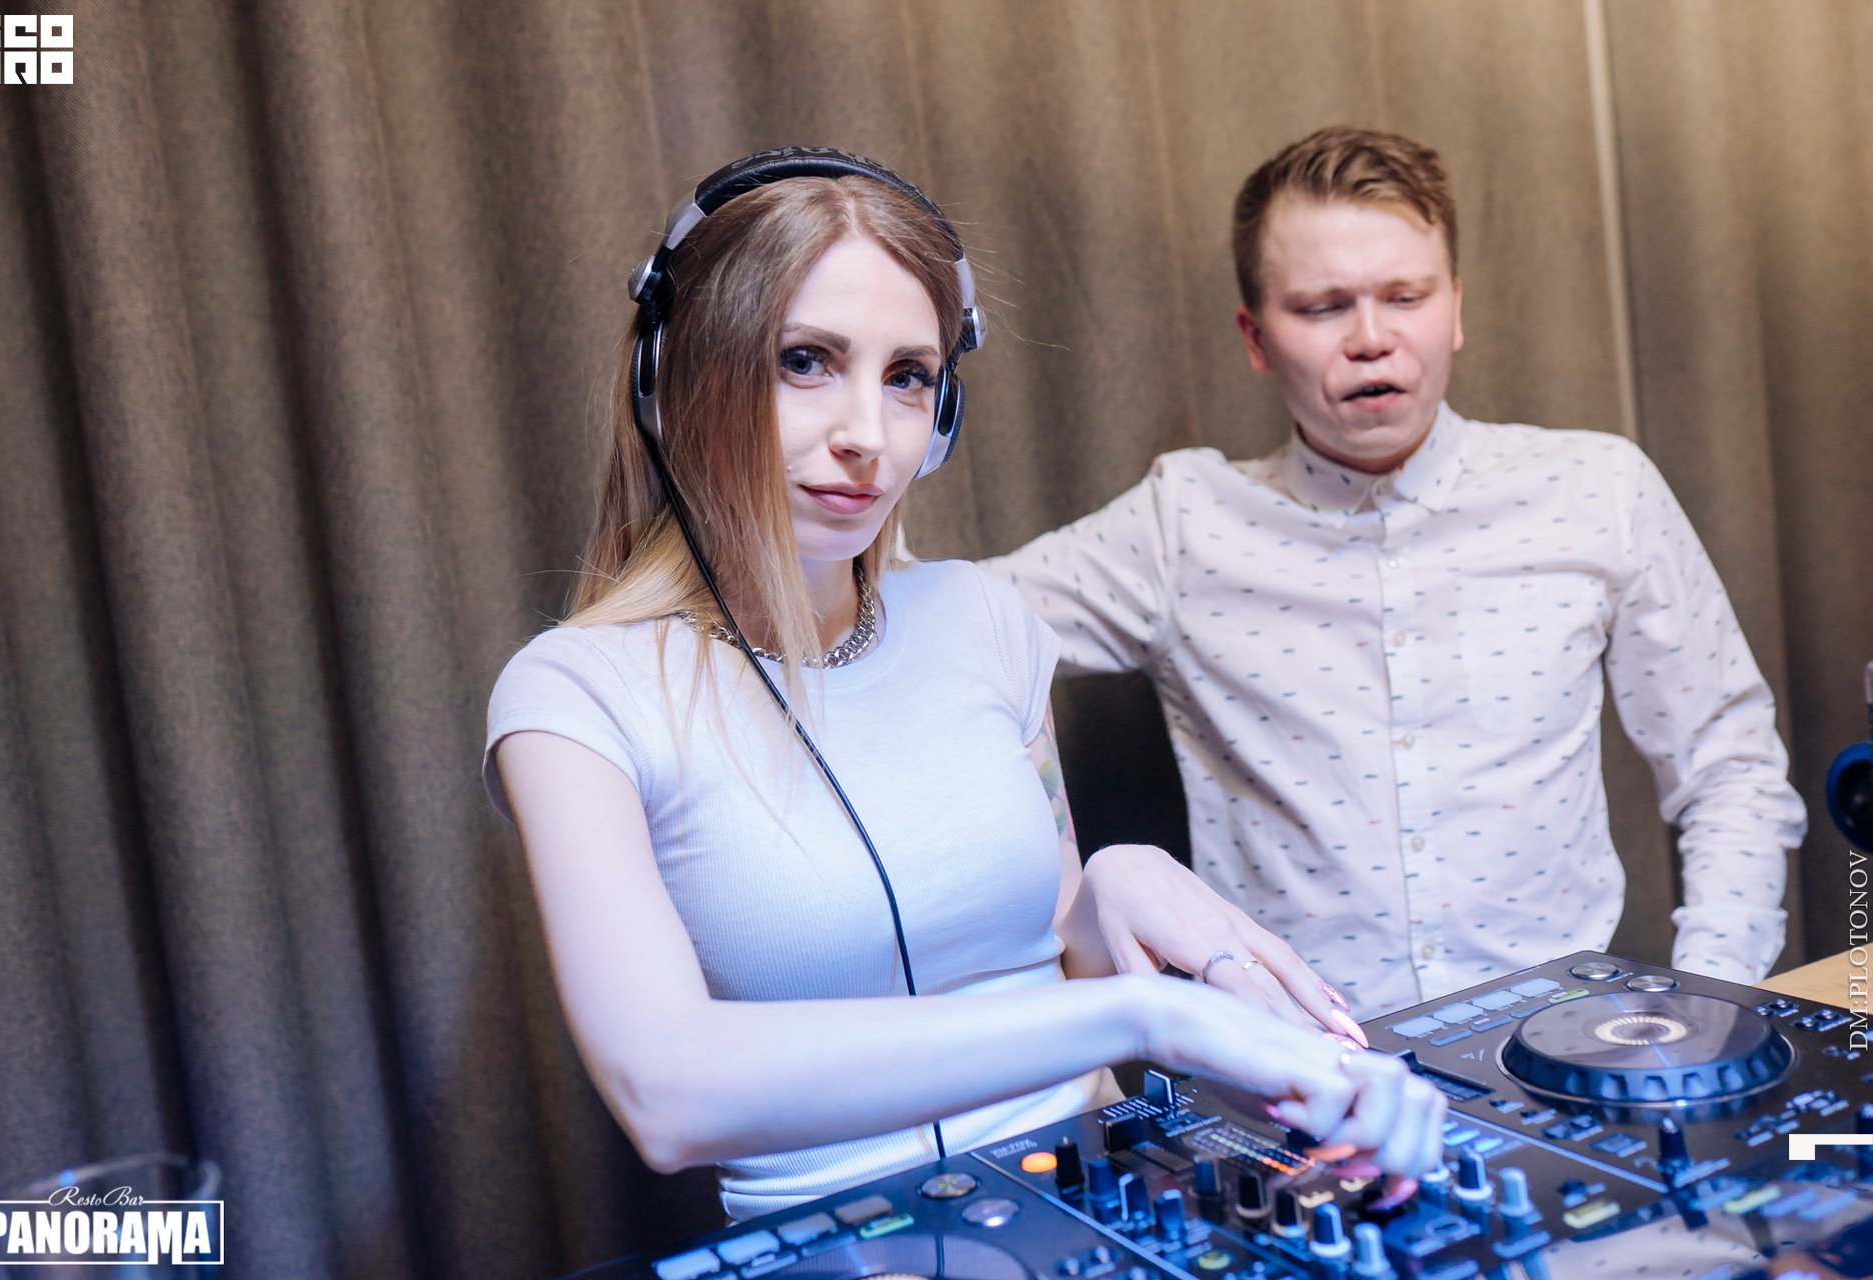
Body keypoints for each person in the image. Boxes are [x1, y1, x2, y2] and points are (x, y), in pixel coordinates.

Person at [483, 151, 1445, 1221]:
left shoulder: (986, 619)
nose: (867, 434)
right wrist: (1138, 1019)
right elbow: (668, 1093)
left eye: (907, 376)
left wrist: (1111, 888)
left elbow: (1056, 950)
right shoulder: (574, 699)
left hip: (1098, 1194)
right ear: (679, 374)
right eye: (805, 361)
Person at [984, 127, 1807, 1018]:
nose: (1371, 338)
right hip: (1299, 1065)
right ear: (1255, 337)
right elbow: (947, 625)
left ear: (1454, 309)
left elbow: (1730, 764)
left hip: (1561, 1045)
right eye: (1322, 307)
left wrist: (1712, 999)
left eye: (1405, 297)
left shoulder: (1598, 489)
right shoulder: (1179, 523)